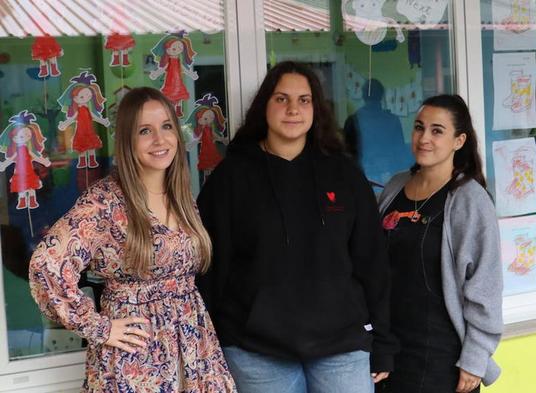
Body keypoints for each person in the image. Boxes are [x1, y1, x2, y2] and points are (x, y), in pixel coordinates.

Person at [197, 61, 398, 393]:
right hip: (257, 352)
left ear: (316, 109)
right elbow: (210, 267)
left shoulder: (344, 175)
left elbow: (372, 264)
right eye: (281, 99)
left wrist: (383, 343)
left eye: (304, 100)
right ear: (265, 106)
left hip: (342, 347)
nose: (293, 109)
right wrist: (210, 344)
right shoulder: (232, 178)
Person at [29, 87, 236, 392]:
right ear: (127, 140)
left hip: (194, 347)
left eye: (166, 127)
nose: (159, 140)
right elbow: (46, 267)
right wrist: (99, 327)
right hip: (136, 357)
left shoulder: (179, 194)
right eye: (144, 131)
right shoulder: (104, 203)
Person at [377, 95, 503, 393]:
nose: (424, 138)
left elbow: (485, 287)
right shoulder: (395, 187)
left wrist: (474, 358)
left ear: (459, 141)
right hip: (391, 348)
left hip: (441, 356)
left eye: (437, 130)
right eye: (419, 128)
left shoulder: (469, 199)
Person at [343, 78, 412, 188]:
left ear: (363, 95)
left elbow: (348, 155)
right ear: (382, 96)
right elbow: (400, 152)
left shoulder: (354, 120)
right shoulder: (392, 120)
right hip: (389, 176)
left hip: (364, 177)